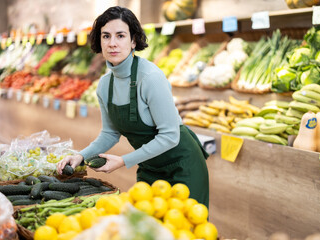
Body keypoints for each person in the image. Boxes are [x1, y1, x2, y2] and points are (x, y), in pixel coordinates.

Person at [57, 6, 209, 207]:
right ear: (99, 41)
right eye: (106, 36)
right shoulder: (104, 85)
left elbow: (170, 135)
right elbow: (109, 134)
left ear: (133, 41)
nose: (112, 43)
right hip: (149, 166)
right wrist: (80, 156)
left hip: (182, 165)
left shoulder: (151, 78)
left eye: (120, 36)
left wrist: (123, 160)